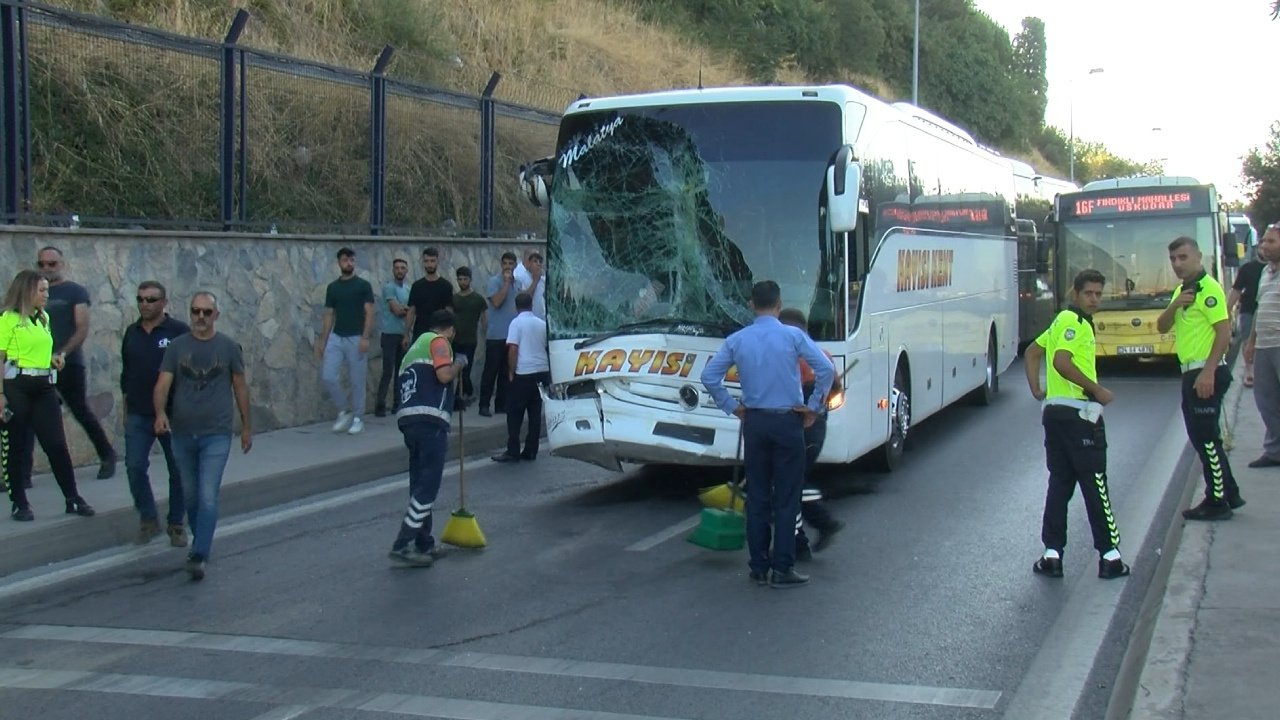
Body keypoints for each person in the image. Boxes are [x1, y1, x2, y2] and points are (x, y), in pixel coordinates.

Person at [701, 281, 833, 589]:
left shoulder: (738, 339)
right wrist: (813, 407)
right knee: (787, 498)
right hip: (788, 422)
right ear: (778, 303)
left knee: (758, 496)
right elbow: (825, 370)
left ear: (751, 304)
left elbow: (709, 377)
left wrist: (732, 406)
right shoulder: (792, 335)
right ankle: (782, 568)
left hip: (755, 423)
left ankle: (758, 567)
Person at [1023, 269, 1129, 580]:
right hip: (1079, 416)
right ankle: (1110, 556)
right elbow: (1061, 361)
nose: (1094, 299)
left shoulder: (1060, 321)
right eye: (1089, 293)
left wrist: (1038, 390)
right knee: (1095, 483)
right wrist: (1096, 390)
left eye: (1098, 293)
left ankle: (1052, 555)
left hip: (1055, 414)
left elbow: (1032, 352)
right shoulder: (1074, 322)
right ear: (1075, 294)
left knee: (1060, 485)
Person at [154, 291, 253, 580]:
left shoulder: (228, 347)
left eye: (206, 312)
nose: (200, 317)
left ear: (216, 315)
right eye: (196, 311)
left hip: (216, 434)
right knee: (190, 495)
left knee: (208, 495)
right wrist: (160, 413)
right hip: (182, 432)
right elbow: (163, 383)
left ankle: (199, 553)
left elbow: (240, 387)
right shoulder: (176, 347)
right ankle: (201, 541)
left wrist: (246, 426)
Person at [1156, 236, 1245, 520]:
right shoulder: (1183, 291)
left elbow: (1223, 330)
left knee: (1207, 440)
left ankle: (1216, 501)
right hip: (1190, 372)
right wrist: (1175, 305)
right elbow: (1161, 326)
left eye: (1183, 257)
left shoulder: (1209, 289)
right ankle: (1229, 493)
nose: (1177, 264)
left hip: (1205, 372)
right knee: (1201, 437)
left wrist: (1208, 372)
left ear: (1199, 257)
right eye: (1173, 259)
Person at [0, 270, 95, 521]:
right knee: (17, 447)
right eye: (41, 290)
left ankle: (72, 498)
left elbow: (41, 348)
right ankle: (19, 503)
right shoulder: (8, 319)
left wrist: (53, 358)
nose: (46, 295)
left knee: (55, 444)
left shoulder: (42, 317)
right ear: (28, 291)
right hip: (16, 386)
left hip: (43, 385)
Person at [387, 309, 468, 566]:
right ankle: (403, 543)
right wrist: (460, 363)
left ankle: (424, 542)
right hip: (430, 420)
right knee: (429, 485)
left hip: (409, 420)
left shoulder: (413, 349)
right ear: (450, 330)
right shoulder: (439, 342)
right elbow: (443, 374)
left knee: (418, 482)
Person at [35, 246, 116, 479]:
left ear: (62, 264)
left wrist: (62, 354)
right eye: (41, 264)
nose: (46, 268)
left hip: (68, 363)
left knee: (80, 410)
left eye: (51, 264)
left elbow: (81, 329)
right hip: (37, 364)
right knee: (29, 415)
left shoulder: (74, 292)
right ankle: (19, 473)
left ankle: (107, 455)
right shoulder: (34, 293)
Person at [120, 280, 189, 546]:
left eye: (150, 300)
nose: (144, 304)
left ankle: (176, 523)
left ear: (164, 303)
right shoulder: (132, 332)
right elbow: (126, 375)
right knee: (134, 466)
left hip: (174, 415)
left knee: (179, 470)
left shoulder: (179, 332)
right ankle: (148, 518)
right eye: (140, 299)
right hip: (139, 413)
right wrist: (126, 409)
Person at [777, 308, 844, 560]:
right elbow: (836, 389)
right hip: (817, 427)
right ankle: (799, 543)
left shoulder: (790, 358)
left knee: (790, 483)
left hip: (799, 427)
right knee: (791, 481)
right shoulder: (821, 354)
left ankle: (822, 523)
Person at [316, 247, 374, 436]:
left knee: (357, 380)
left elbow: (369, 312)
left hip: (356, 337)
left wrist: (365, 337)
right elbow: (329, 314)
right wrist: (323, 341)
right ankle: (344, 411)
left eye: (351, 259)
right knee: (328, 375)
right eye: (345, 259)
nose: (348, 263)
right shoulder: (333, 288)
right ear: (339, 262)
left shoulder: (363, 286)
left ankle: (358, 418)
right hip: (337, 336)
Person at [491, 292, 549, 463]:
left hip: (523, 372)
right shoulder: (541, 323)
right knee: (535, 413)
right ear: (531, 305)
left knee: (514, 413)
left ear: (516, 307)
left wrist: (511, 371)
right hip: (541, 371)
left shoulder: (516, 323)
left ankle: (513, 449)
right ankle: (531, 450)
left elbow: (513, 349)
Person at [1244, 223, 1280, 468]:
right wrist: (1251, 342)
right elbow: (1259, 308)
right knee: (1266, 400)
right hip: (1264, 346)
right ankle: (1274, 451)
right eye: (1264, 241)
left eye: (1271, 241)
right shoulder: (1266, 272)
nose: (1264, 246)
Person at [479, 252, 519, 417]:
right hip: (495, 335)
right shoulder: (494, 282)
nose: (508, 267)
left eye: (511, 264)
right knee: (491, 371)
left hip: (511, 335)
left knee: (506, 372)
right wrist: (505, 284)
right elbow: (496, 302)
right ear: (501, 265)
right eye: (505, 264)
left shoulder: (517, 284)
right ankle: (484, 405)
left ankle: (501, 405)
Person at [375, 257, 411, 417]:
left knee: (401, 372)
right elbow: (397, 310)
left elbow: (412, 312)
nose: (400, 270)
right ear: (393, 270)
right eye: (397, 268)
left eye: (403, 268)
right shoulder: (389, 288)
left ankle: (398, 404)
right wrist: (406, 310)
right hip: (389, 335)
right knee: (388, 371)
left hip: (402, 335)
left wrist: (407, 310)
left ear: (407, 270)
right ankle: (380, 405)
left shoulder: (408, 289)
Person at [450, 266, 488, 404]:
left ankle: (468, 393)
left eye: (465, 279)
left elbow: (484, 318)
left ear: (470, 280)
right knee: (456, 369)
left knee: (466, 370)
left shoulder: (477, 299)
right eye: (460, 279)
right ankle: (461, 395)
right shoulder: (454, 299)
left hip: (470, 340)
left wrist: (485, 335)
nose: (463, 282)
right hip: (455, 339)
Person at [1229, 248, 1265, 387]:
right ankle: (1250, 372)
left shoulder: (1273, 269)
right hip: (1248, 310)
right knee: (1247, 341)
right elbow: (1237, 290)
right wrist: (1226, 311)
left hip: (1269, 311)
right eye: (1262, 244)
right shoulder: (1247, 269)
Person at [404, 247, 453, 343]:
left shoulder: (446, 286)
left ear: (438, 261)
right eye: (426, 261)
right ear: (423, 262)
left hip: (439, 334)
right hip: (420, 333)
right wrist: (406, 334)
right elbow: (411, 311)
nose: (429, 264)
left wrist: (450, 334)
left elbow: (449, 311)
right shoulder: (417, 286)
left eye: (432, 261)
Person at [513, 248, 546, 320]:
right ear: (527, 260)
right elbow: (523, 299)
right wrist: (535, 280)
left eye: (540, 262)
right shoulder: (518, 274)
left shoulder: (541, 274)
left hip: (541, 319)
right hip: (527, 320)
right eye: (535, 261)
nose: (538, 264)